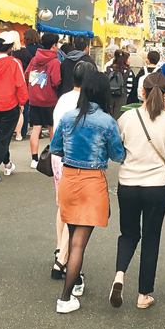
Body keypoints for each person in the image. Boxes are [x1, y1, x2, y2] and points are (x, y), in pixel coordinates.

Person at [51, 71, 125, 314]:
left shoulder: (68, 116)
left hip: (69, 180)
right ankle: (65, 297)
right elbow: (118, 155)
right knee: (79, 245)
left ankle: (76, 284)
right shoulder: (107, 121)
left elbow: (55, 148)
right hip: (93, 183)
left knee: (74, 240)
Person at [113, 71, 165, 309]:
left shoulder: (127, 118)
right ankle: (143, 295)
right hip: (156, 186)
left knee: (128, 234)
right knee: (151, 238)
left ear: (141, 92)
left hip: (128, 183)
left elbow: (119, 144)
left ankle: (119, 276)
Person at [50, 58, 96, 287]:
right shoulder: (87, 103)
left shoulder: (64, 99)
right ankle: (63, 259)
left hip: (57, 158)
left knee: (63, 204)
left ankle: (60, 247)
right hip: (77, 160)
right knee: (77, 212)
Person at [0, 30, 28, 180]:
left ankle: (7, 164)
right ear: (11, 47)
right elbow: (21, 85)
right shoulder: (14, 63)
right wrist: (22, 103)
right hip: (10, 105)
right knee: (3, 139)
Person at [26, 32, 63, 167]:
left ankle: (34, 159)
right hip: (50, 100)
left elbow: (27, 75)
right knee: (52, 128)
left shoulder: (34, 60)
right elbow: (56, 81)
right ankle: (52, 156)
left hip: (34, 99)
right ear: (54, 45)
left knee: (36, 128)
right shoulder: (54, 62)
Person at [13, 28, 41, 140]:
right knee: (27, 106)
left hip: (22, 79)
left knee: (20, 106)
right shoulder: (41, 49)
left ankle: (17, 131)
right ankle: (24, 130)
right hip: (37, 81)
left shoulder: (24, 51)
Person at [107, 49, 132, 119]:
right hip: (122, 96)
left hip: (110, 95)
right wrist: (125, 94)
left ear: (114, 57)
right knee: (119, 117)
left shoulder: (108, 69)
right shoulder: (127, 70)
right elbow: (129, 86)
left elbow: (104, 82)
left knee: (109, 115)